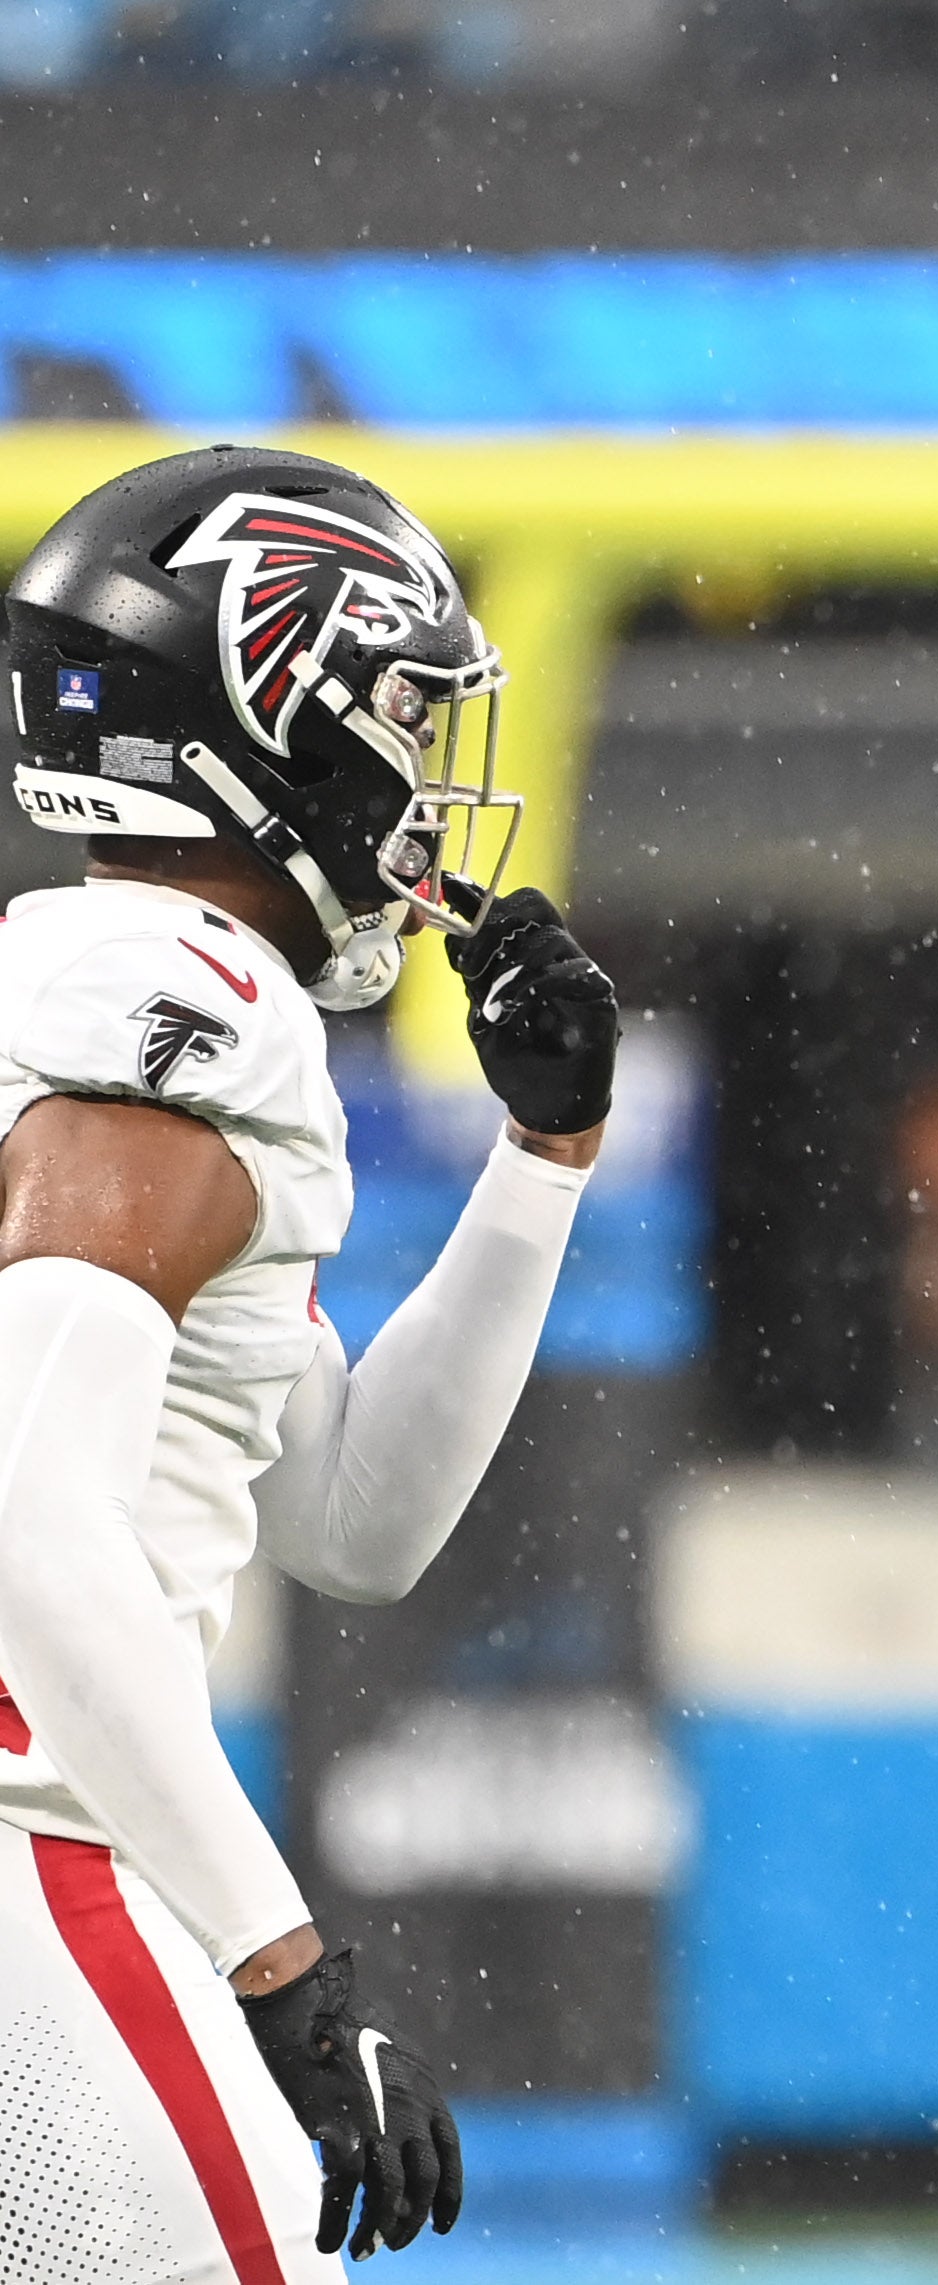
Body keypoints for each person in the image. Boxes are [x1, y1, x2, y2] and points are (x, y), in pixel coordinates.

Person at [0, 447, 621, 2277]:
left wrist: (543, 1160)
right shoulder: (177, 1019)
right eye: (406, 713)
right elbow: (27, 1519)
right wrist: (281, 1964)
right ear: (276, 716)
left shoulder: (97, 977)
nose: (424, 770)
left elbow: (353, 1518)